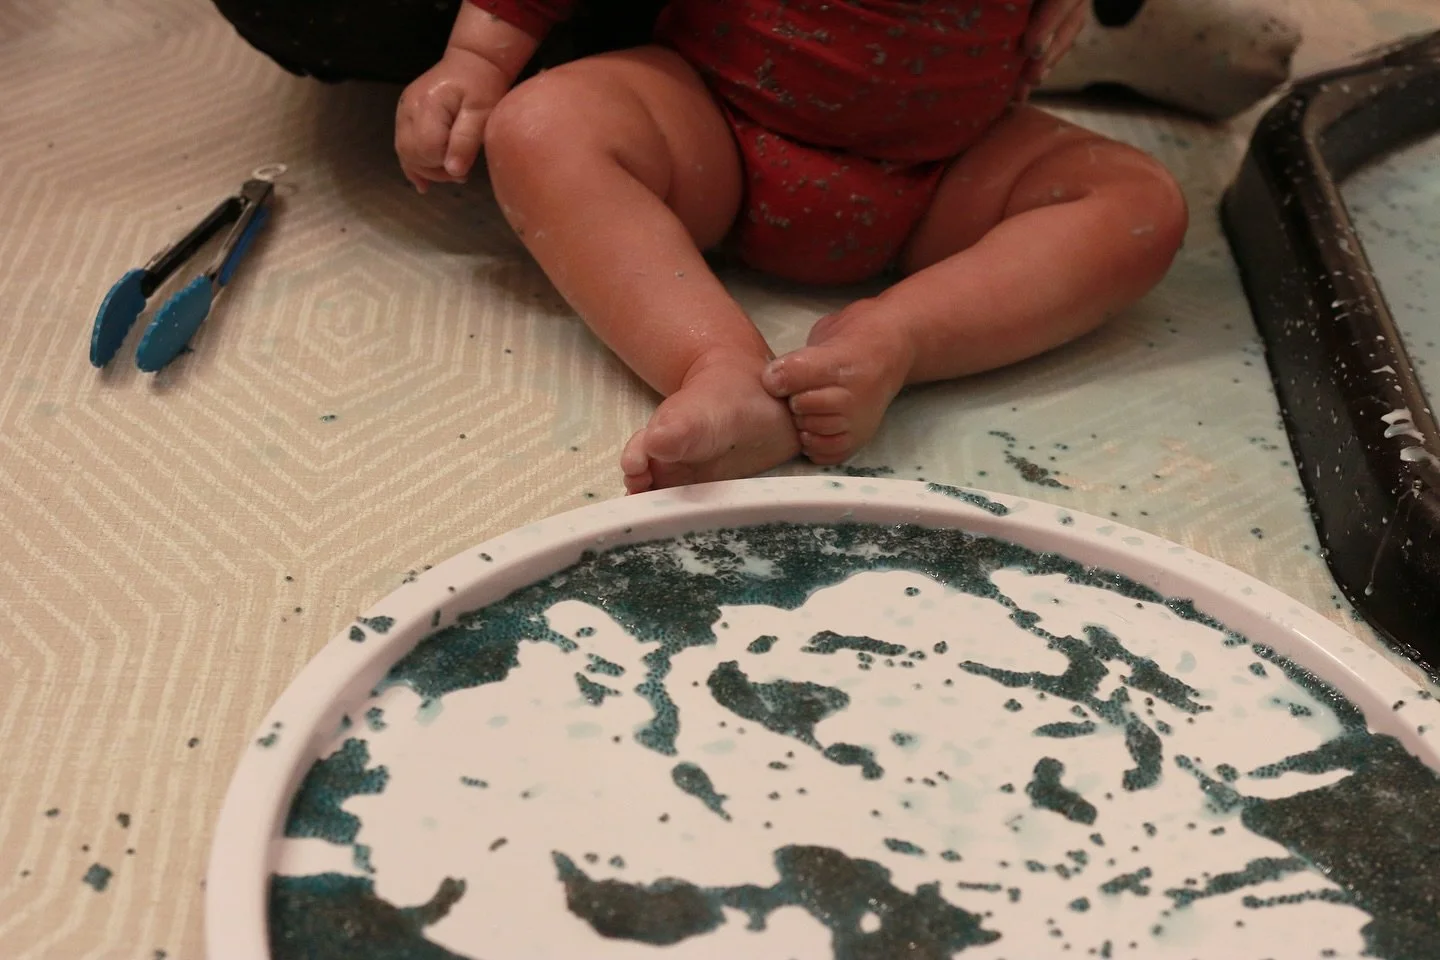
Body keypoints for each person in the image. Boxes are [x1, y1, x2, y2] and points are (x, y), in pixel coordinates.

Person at [395, 0, 1187, 493]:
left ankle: (898, 338)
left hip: (946, 170)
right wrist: (477, 59)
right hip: (717, 129)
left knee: (1137, 203)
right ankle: (717, 365)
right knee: (541, 124)